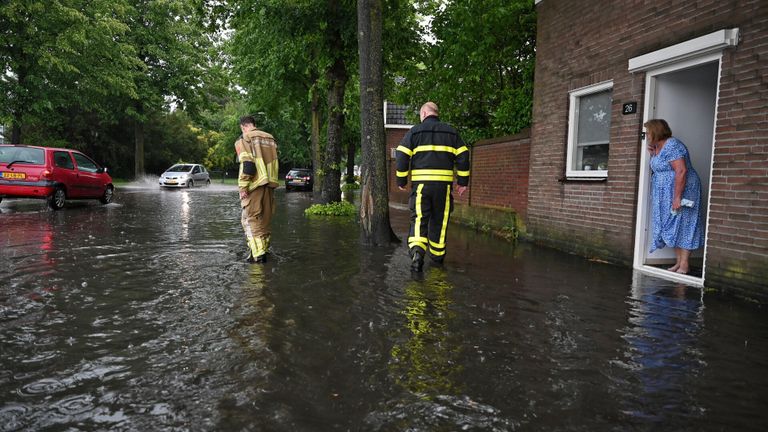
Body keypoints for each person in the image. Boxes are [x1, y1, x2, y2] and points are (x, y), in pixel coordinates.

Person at [396, 102, 470, 272]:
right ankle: (437, 260)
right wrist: (462, 182)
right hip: (443, 189)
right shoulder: (451, 132)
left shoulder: (415, 132)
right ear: (436, 113)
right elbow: (464, 155)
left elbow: (401, 155)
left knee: (420, 219)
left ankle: (417, 254)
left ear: (423, 113)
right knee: (439, 221)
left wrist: (401, 181)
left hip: (421, 186)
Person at [645, 119, 704, 274]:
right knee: (673, 225)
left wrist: (677, 197)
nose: (646, 134)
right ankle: (679, 262)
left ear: (656, 131)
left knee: (685, 223)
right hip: (666, 193)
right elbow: (660, 169)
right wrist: (653, 154)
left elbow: (681, 171)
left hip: (684, 190)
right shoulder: (657, 147)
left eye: (648, 131)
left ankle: (684, 264)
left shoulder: (672, 145)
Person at [235, 115, 279, 263]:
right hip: (270, 185)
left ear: (243, 127)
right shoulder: (270, 138)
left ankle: (258, 257)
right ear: (254, 124)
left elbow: (247, 164)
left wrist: (243, 187)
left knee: (249, 220)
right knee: (264, 220)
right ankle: (264, 250)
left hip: (254, 186)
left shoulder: (245, 139)